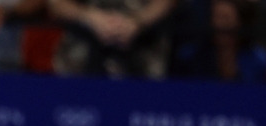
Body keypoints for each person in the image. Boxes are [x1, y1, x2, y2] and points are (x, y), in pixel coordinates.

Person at [49, 0, 177, 78]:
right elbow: (57, 4)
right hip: (82, 48)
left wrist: (138, 22)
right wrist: (89, 17)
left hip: (145, 44)